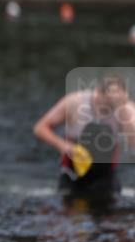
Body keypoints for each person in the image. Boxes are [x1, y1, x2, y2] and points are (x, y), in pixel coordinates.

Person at [34, 75, 135, 203]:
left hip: (105, 174)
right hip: (73, 172)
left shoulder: (125, 108)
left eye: (111, 105)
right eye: (104, 104)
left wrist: (122, 109)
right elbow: (40, 128)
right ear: (97, 92)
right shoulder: (75, 102)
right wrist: (62, 145)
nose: (105, 110)